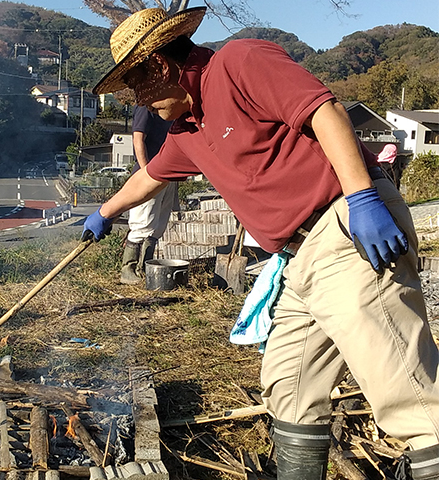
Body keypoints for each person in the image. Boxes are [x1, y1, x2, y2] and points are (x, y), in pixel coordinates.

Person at [82, 7, 439, 479]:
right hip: (300, 258)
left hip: (346, 229)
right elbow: (150, 176)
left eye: (136, 85)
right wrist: (103, 214)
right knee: (289, 385)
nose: (137, 101)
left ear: (161, 66)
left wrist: (362, 198)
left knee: (406, 389)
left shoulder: (239, 62)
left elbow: (324, 111)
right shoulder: (187, 129)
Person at [120, 105, 177, 284]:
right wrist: (145, 173)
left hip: (169, 173)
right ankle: (128, 270)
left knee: (158, 225)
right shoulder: (146, 107)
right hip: (150, 173)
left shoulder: (170, 107)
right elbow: (138, 140)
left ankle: (145, 269)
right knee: (142, 223)